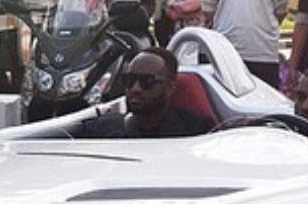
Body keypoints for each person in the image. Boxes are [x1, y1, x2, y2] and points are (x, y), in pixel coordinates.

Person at [74, 48, 214, 138]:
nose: (136, 88)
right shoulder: (97, 132)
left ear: (170, 87)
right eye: (129, 80)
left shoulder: (196, 131)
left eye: (147, 81)